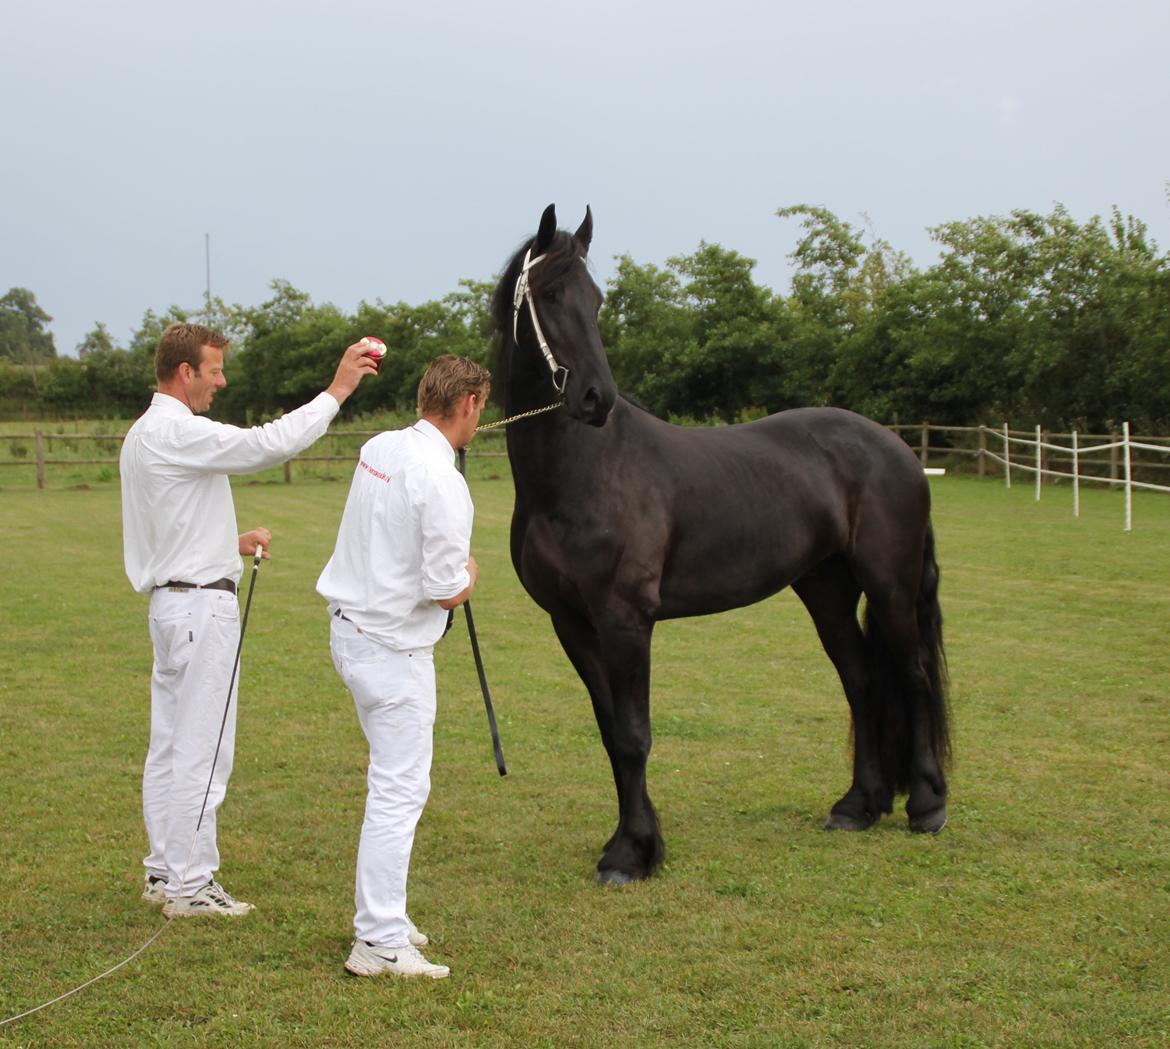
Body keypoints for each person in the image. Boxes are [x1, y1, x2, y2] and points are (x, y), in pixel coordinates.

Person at [120, 321, 377, 918]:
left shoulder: (143, 434)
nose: (221, 380)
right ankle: (189, 884)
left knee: (170, 744)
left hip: (172, 601)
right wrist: (337, 390)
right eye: (214, 370)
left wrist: (226, 541)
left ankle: (164, 872)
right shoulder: (177, 430)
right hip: (199, 610)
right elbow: (268, 444)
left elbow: (168, 524)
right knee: (203, 748)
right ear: (186, 373)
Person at [316, 354, 490, 980]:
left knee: (393, 787)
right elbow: (445, 588)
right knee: (398, 792)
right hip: (392, 652)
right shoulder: (443, 480)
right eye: (481, 409)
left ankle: (384, 918)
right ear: (469, 404)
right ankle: (380, 939)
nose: (481, 420)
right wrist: (471, 574)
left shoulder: (380, 445)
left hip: (352, 632)